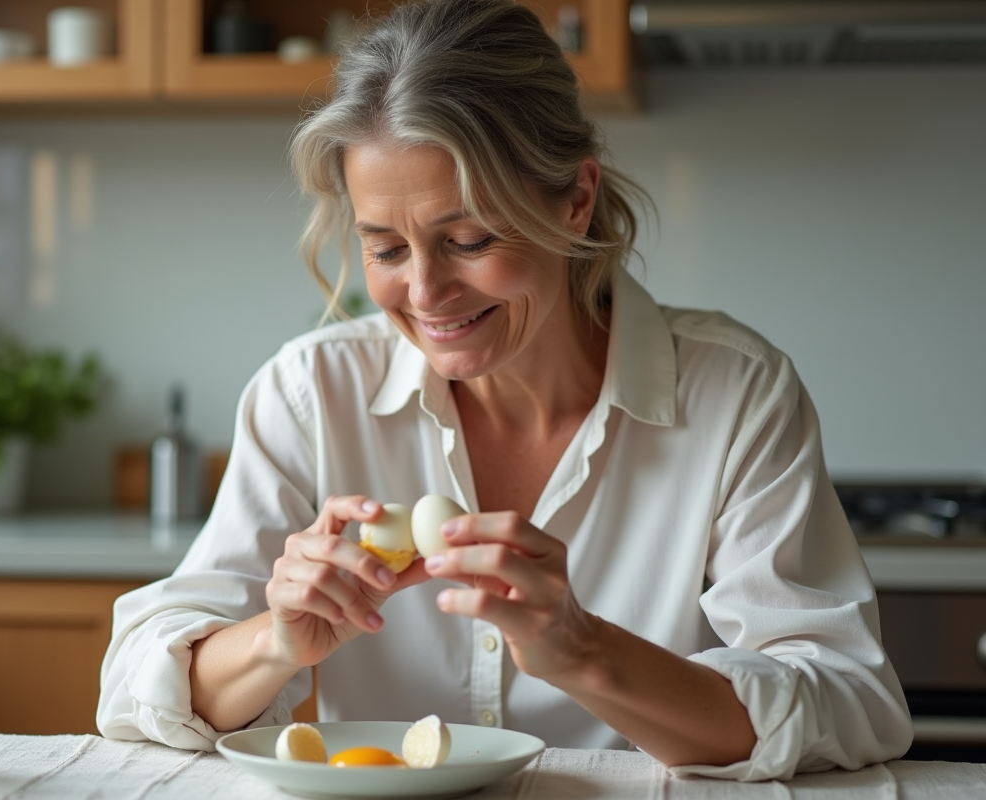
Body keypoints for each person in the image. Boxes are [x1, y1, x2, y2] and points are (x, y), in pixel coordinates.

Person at [97, 0, 912, 781]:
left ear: (577, 198)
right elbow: (134, 685)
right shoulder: (310, 392)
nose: (425, 292)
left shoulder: (734, 394)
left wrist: (583, 650)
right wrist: (274, 643)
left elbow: (848, 700)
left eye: (469, 239)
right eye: (385, 250)